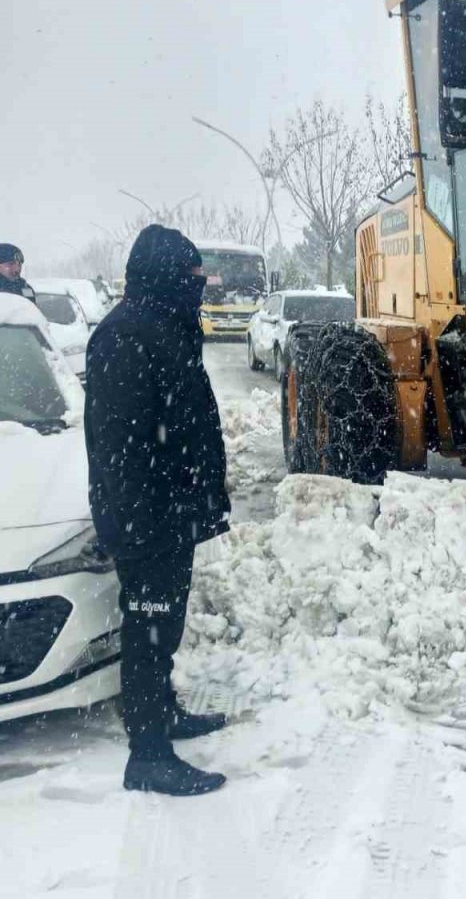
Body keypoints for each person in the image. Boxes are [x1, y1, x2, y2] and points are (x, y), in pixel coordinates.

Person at [84, 224, 231, 796]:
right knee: (146, 633)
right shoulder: (125, 336)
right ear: (166, 278)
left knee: (163, 626)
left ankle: (164, 713)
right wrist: (140, 526)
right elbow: (119, 445)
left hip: (171, 514)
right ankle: (147, 754)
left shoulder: (163, 325)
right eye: (191, 278)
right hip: (148, 519)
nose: (198, 287)